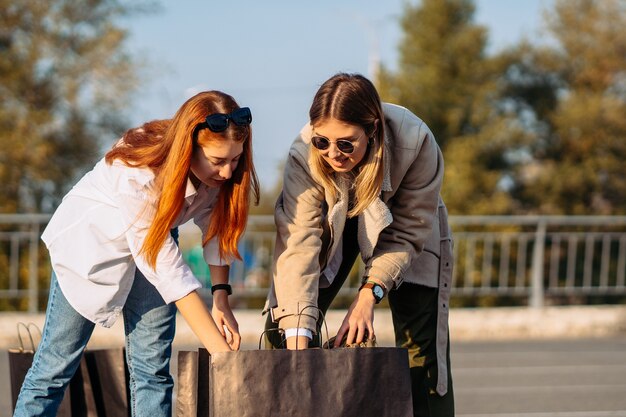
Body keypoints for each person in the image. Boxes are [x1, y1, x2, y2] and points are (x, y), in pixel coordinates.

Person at [14, 91, 259, 417]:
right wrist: (222, 355)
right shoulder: (138, 176)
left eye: (235, 159)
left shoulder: (216, 176)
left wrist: (221, 299)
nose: (228, 173)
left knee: (153, 370)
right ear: (189, 150)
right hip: (91, 252)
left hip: (154, 244)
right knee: (54, 367)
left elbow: (217, 231)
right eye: (217, 161)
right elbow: (172, 276)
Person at [264, 73, 454, 417]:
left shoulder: (417, 140)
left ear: (374, 131)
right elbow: (299, 244)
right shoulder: (302, 154)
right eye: (322, 142)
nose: (333, 154)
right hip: (330, 221)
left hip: (407, 231)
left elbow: (410, 231)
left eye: (346, 144)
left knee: (421, 359)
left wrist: (370, 294)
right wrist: (296, 343)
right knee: (287, 329)